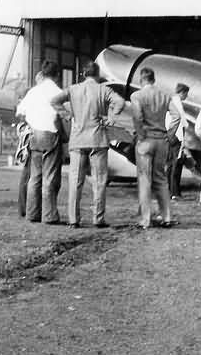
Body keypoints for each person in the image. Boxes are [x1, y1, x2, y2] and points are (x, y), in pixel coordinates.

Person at [51, 61, 125, 228]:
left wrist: (66, 114)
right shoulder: (104, 89)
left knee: (75, 181)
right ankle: (98, 219)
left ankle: (73, 219)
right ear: (97, 74)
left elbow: (54, 101)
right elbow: (119, 102)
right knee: (99, 181)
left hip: (78, 140)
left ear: (83, 74)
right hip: (98, 139)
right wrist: (111, 118)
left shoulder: (73, 89)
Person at [131, 67, 180, 229]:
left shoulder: (137, 96)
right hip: (161, 141)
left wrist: (141, 133)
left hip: (145, 141)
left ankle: (145, 219)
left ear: (141, 79)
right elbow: (177, 116)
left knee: (145, 179)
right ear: (154, 79)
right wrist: (169, 133)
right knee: (161, 179)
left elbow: (137, 116)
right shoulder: (165, 96)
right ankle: (166, 217)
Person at [16, 62, 63, 224]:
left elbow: (19, 112)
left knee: (34, 177)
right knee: (49, 177)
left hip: (34, 136)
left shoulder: (33, 92)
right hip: (51, 135)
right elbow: (62, 116)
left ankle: (32, 214)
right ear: (57, 75)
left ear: (43, 73)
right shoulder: (58, 92)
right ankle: (49, 215)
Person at [16, 71, 44, 218]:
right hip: (33, 139)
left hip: (28, 139)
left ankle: (25, 208)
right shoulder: (34, 96)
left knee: (28, 176)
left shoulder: (28, 98)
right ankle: (27, 209)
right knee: (31, 176)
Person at [166, 82, 189, 199]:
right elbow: (182, 122)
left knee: (170, 164)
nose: (187, 96)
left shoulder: (171, 101)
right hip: (176, 137)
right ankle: (174, 192)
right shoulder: (177, 103)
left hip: (170, 136)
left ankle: (170, 190)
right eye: (186, 94)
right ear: (183, 92)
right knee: (176, 164)